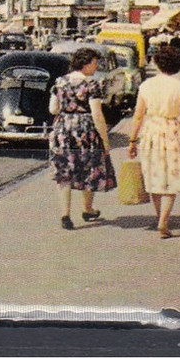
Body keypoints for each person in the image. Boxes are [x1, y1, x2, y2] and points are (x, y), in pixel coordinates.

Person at [126, 45, 180, 239]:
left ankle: (160, 216)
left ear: (157, 63)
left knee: (154, 175)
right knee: (172, 178)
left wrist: (132, 140)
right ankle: (163, 220)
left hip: (151, 132)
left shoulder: (146, 86)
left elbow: (138, 116)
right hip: (173, 132)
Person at [47, 47, 117, 229]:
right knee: (89, 168)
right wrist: (105, 141)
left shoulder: (60, 82)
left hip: (63, 128)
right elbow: (97, 114)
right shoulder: (92, 84)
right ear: (85, 64)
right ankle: (87, 209)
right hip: (85, 128)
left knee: (64, 171)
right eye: (94, 63)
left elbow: (53, 109)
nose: (96, 66)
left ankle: (65, 214)